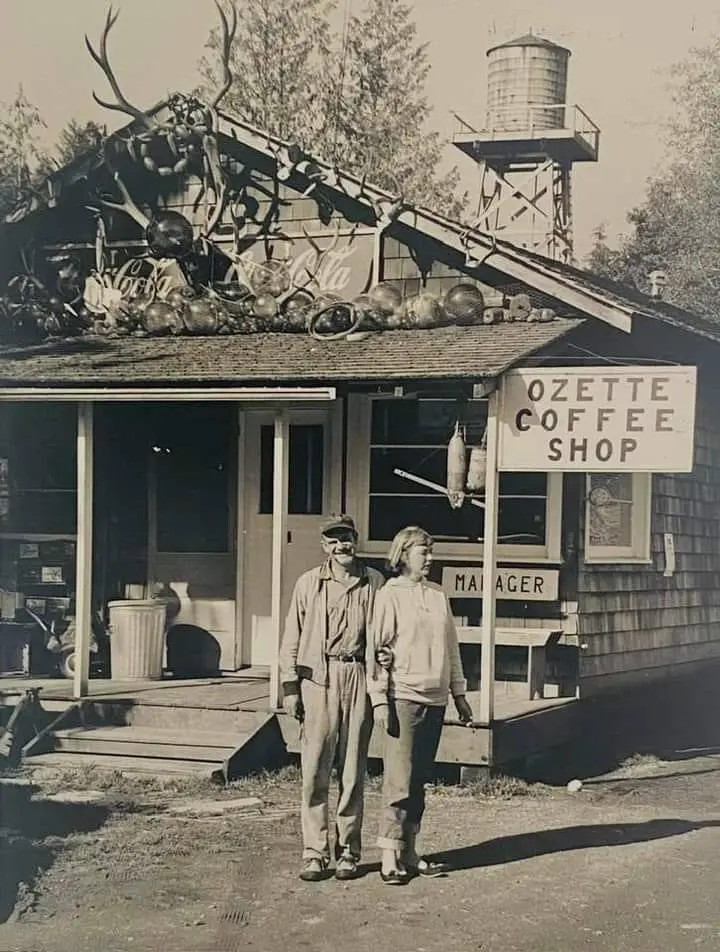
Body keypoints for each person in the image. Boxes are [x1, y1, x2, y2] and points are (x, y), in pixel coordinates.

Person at [279, 514, 385, 883]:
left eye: (348, 538)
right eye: (334, 540)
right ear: (324, 546)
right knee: (315, 770)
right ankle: (314, 853)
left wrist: (383, 674)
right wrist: (290, 687)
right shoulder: (309, 583)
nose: (343, 545)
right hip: (318, 678)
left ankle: (349, 852)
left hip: (358, 674)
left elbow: (384, 635)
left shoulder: (374, 582)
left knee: (353, 770)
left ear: (356, 540)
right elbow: (291, 638)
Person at [368, 525, 474, 885]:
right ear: (403, 555)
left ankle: (411, 850)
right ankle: (389, 855)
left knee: (420, 780)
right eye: (423, 552)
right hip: (403, 696)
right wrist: (380, 700)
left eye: (431, 551)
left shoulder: (438, 595)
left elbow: (452, 648)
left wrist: (459, 694)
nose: (430, 558)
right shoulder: (389, 595)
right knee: (399, 779)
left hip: (436, 697)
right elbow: (376, 653)